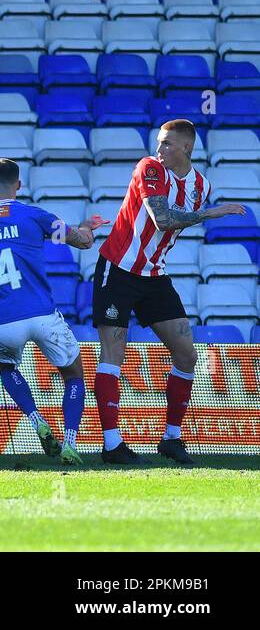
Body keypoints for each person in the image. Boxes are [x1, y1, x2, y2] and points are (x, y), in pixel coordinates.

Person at [91, 120, 247, 466]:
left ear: (187, 149)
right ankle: (112, 444)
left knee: (186, 354)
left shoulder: (200, 185)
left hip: (154, 275)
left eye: (167, 144)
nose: (159, 150)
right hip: (118, 271)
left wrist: (202, 210)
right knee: (114, 354)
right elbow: (161, 218)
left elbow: (173, 221)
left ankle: (172, 438)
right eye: (159, 142)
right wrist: (209, 213)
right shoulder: (149, 167)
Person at [0, 159, 103, 466]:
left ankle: (36, 419)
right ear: (19, 186)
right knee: (74, 375)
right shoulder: (34, 217)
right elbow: (82, 241)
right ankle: (70, 442)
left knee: (7, 369)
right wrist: (88, 228)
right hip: (41, 314)